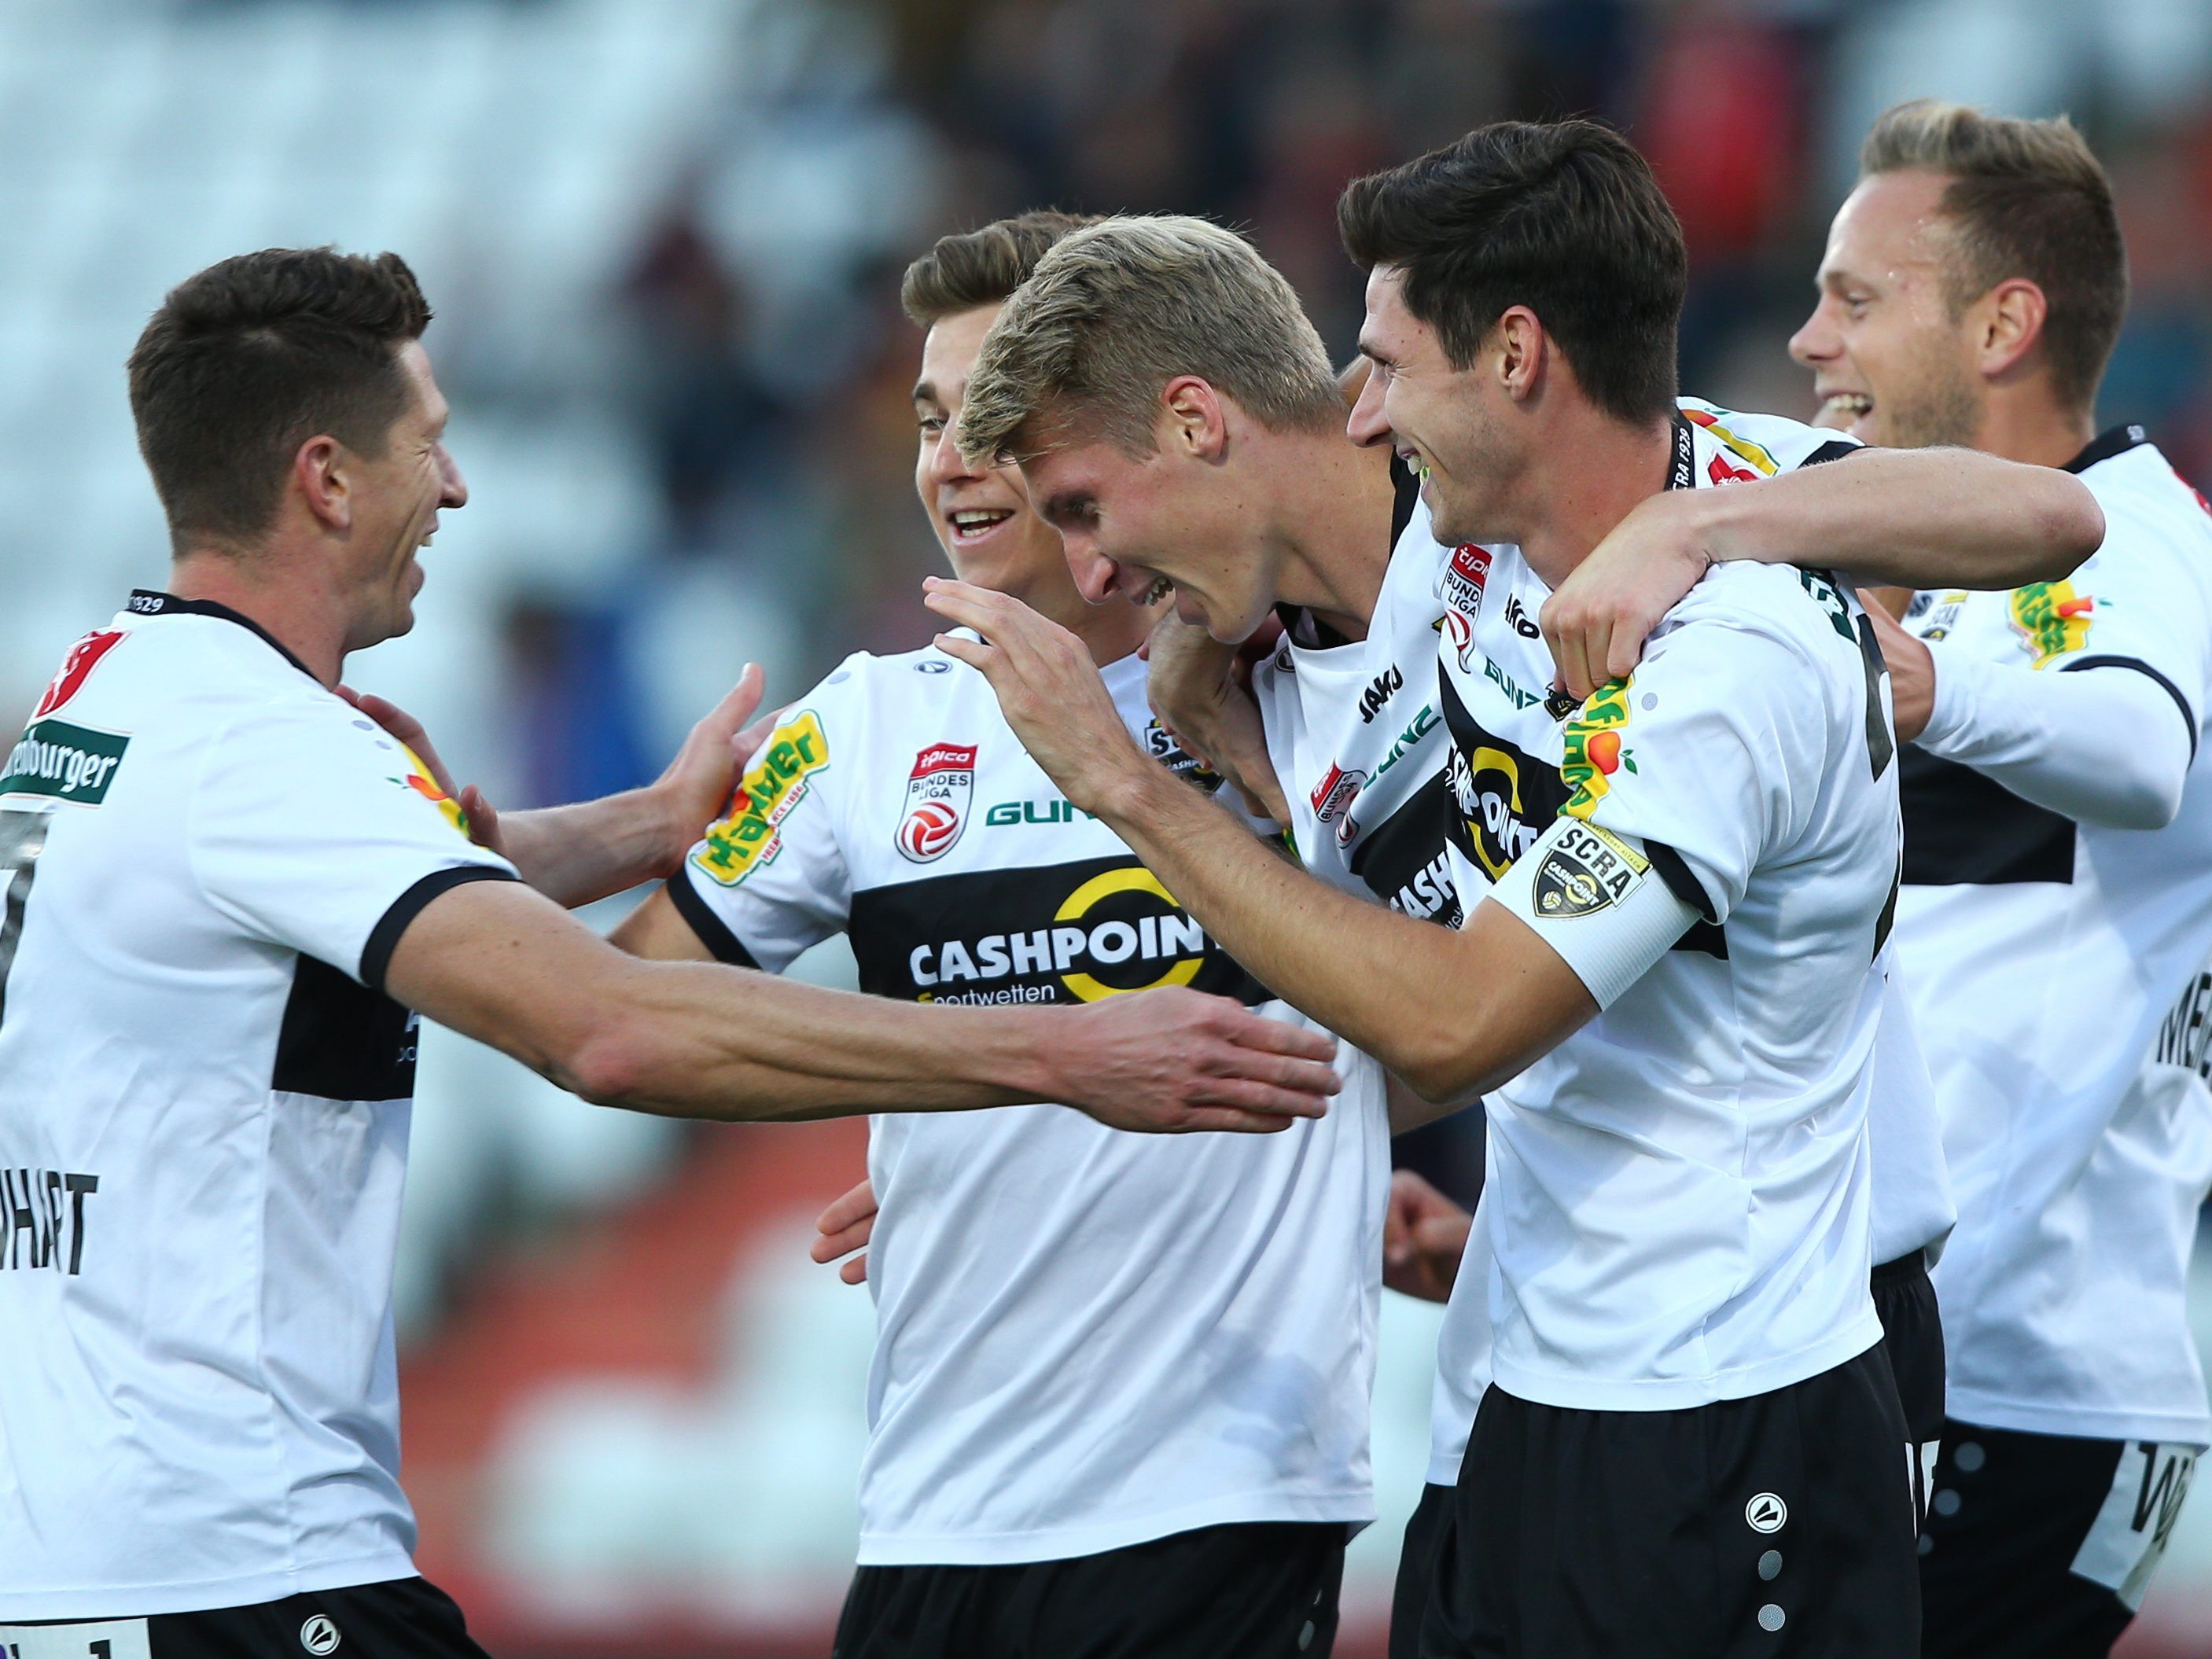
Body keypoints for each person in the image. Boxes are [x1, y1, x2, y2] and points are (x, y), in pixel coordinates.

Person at [0, 247, 1338, 1656]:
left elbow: (331, 908)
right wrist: (1060, 1058)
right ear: (328, 480)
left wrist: (644, 821)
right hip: (234, 1559)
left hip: (89, 1539)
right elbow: (611, 1025)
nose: (453, 489)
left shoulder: (98, 698)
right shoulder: (268, 749)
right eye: (430, 447)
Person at [924, 127, 2098, 1657]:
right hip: (1539, 1349)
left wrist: (1702, 520)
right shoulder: (1289, 657)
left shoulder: (1630, 559)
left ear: (1200, 425)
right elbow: (1404, 1006)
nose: (1090, 578)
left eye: (1085, 512)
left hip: (1775, 1345)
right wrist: (1019, 1126)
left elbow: (2048, 519)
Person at [603, 212, 1377, 1659]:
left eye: (995, 419)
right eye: (925, 416)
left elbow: (1459, 1001)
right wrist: (958, 1082)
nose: (948, 458)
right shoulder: (855, 725)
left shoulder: (1300, 693)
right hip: (930, 1514)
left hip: (1219, 1499)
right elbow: (633, 1016)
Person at [1784, 101, 2212, 1657]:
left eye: (1857, 296)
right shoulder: (1932, 559)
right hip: (1919, 1356)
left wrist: (1932, 696)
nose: (1808, 334)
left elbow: (2140, 745)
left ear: (2005, 321)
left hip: (2032, 1377)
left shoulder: (2139, 547)